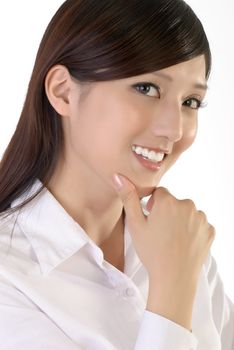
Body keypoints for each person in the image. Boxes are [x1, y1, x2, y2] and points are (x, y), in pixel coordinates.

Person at [0, 0, 233, 349]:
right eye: (147, 89)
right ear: (63, 91)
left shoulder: (181, 243)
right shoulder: (9, 276)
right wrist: (172, 287)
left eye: (191, 102)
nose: (174, 129)